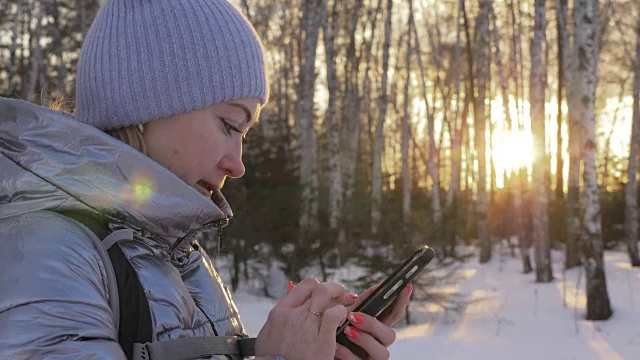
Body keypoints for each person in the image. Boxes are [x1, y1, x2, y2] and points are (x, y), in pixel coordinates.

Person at [0, 0, 411, 359]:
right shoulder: (47, 249)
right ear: (147, 105)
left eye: (245, 134)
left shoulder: (180, 253)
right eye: (231, 125)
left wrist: (306, 346)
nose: (238, 164)